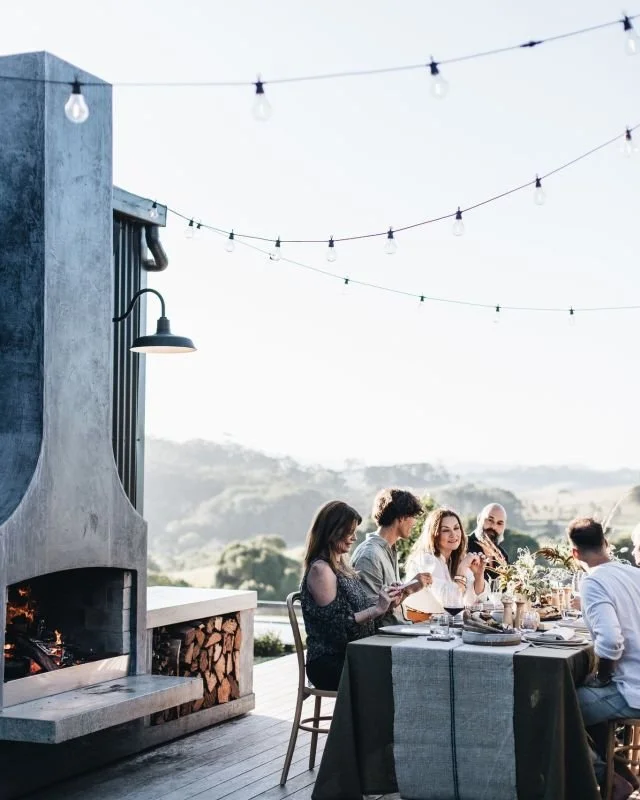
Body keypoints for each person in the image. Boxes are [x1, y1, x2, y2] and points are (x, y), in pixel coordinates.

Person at [569, 517, 640, 799]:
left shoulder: (593, 582)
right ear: (606, 544)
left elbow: (610, 641)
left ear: (575, 554)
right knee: (584, 693)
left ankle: (608, 778)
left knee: (558, 706)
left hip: (633, 690)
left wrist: (603, 676)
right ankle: (623, 774)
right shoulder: (634, 574)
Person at [299, 500, 399, 691]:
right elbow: (337, 629)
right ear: (332, 531)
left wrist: (387, 604)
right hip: (330, 662)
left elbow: (358, 614)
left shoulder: (342, 567)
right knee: (393, 674)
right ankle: (367, 721)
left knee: (401, 665)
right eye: (349, 531)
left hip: (353, 653)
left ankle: (370, 721)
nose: (354, 537)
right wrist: (376, 608)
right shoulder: (321, 571)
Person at [351, 489, 433, 626]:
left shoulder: (389, 550)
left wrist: (408, 590)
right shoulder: (370, 555)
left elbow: (387, 605)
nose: (414, 523)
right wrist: (407, 589)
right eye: (413, 517)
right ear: (401, 517)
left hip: (398, 630)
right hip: (382, 639)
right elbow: (370, 613)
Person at [405, 507, 488, 608]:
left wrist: (479, 575)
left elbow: (474, 602)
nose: (453, 534)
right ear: (434, 535)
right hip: (422, 622)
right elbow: (450, 602)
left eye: (456, 528)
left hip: (444, 622)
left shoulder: (456, 559)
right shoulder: (427, 560)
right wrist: (461, 570)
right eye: (445, 530)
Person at [467, 503, 509, 581]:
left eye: (499, 523)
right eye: (490, 520)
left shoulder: (503, 556)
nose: (493, 527)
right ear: (479, 519)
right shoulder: (463, 545)